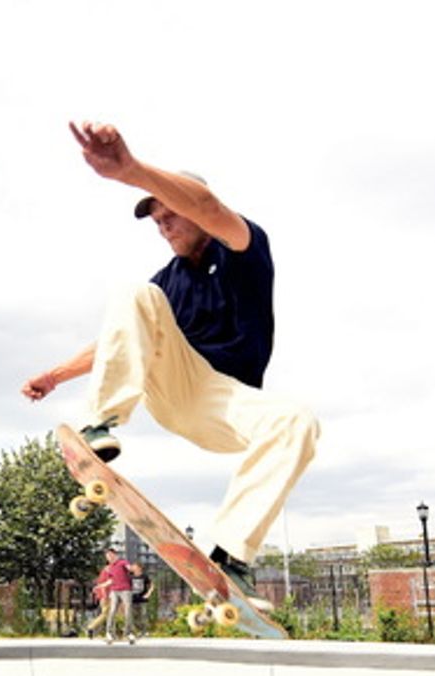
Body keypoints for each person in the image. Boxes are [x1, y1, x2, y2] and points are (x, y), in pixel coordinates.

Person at [23, 121, 319, 611]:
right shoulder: (166, 282)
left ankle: (230, 557)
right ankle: (102, 424)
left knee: (297, 422)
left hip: (226, 402)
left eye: (170, 214)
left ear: (194, 206)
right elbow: (119, 337)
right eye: (156, 220)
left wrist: (132, 171)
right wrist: (55, 375)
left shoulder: (243, 247)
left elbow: (208, 207)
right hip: (173, 386)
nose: (163, 225)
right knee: (137, 294)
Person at [92, 548, 135, 644]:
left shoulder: (122, 562)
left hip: (125, 590)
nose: (109, 558)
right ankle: (109, 633)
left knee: (128, 611)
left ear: (115, 555)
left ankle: (129, 633)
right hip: (114, 591)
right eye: (107, 557)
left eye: (111, 556)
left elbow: (128, 567)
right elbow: (111, 580)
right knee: (112, 611)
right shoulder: (110, 567)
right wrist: (100, 586)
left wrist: (131, 568)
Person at [129, 561, 154, 636]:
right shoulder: (130, 576)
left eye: (134, 566)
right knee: (134, 615)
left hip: (142, 598)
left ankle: (145, 631)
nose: (133, 567)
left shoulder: (144, 576)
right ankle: (139, 630)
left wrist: (148, 594)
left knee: (143, 614)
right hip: (133, 599)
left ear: (139, 568)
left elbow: (152, 585)